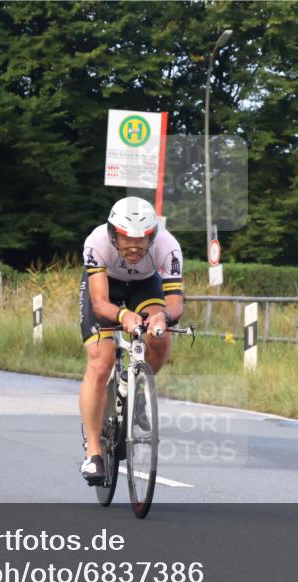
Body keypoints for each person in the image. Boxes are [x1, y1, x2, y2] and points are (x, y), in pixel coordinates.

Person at [78, 196, 184, 482]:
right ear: (113, 234)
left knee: (160, 338)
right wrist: (123, 316)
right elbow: (100, 303)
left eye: (143, 240)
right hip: (106, 288)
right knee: (101, 361)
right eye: (126, 239)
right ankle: (93, 452)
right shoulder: (96, 242)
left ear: (153, 236)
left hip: (144, 286)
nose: (134, 247)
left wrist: (163, 318)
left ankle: (137, 392)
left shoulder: (168, 247)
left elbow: (175, 302)